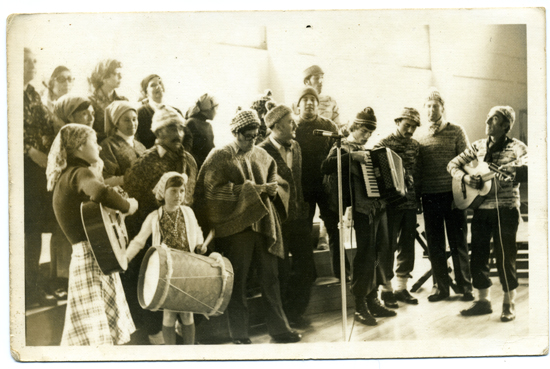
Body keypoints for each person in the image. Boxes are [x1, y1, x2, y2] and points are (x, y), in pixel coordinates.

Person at [195, 108, 301, 344]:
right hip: (236, 227)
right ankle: (239, 334)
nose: (252, 141)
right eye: (247, 136)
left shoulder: (261, 154)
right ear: (236, 133)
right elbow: (210, 192)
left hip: (263, 223)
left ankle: (279, 329)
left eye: (255, 135)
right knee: (237, 280)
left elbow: (276, 178)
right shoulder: (219, 155)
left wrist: (272, 187)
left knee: (270, 278)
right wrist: (250, 190)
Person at [46, 124, 139, 345]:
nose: (98, 146)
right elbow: (100, 191)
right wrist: (128, 206)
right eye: (93, 142)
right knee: (97, 333)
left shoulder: (65, 176)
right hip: (93, 257)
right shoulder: (79, 173)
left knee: (93, 331)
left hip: (86, 255)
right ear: (79, 147)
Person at [123, 106, 198, 344]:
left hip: (181, 237)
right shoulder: (145, 162)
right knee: (154, 288)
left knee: (181, 292)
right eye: (172, 128)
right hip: (152, 236)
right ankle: (156, 335)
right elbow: (132, 201)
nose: (179, 133)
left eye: (181, 128)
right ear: (158, 131)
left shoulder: (188, 159)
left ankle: (181, 340)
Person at [447, 106, 527, 322]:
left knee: (505, 258)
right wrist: (465, 178)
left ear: (505, 126)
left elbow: (532, 165)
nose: (488, 121)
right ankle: (483, 301)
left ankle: (509, 303)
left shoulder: (518, 148)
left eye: (494, 119)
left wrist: (516, 171)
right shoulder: (478, 146)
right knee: (479, 256)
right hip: (481, 208)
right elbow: (453, 164)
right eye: (489, 118)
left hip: (506, 210)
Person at [321, 108, 396, 326]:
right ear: (353, 127)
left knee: (379, 251)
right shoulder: (340, 146)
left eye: (370, 133)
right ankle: (360, 306)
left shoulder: (368, 150)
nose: (366, 136)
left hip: (375, 207)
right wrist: (351, 156)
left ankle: (373, 300)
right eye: (363, 131)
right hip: (358, 209)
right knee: (365, 255)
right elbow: (325, 167)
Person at [126, 172, 211, 345]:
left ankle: (189, 353)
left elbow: (198, 232)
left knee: (187, 312)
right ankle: (171, 356)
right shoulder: (154, 217)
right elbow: (139, 241)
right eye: (173, 191)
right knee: (169, 313)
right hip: (166, 273)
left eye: (182, 191)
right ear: (162, 193)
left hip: (187, 270)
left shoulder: (188, 212)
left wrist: (201, 245)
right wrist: (125, 259)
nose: (178, 196)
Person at [257, 101, 313, 328]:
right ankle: (282, 319)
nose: (295, 125)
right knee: (279, 272)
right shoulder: (261, 150)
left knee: (307, 268)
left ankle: (294, 313)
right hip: (276, 223)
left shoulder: (296, 147)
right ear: (277, 126)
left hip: (299, 219)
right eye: (291, 122)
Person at [416, 88, 474, 302]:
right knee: (435, 244)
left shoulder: (456, 130)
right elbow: (417, 168)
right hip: (429, 196)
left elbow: (468, 161)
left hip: (454, 195)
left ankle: (465, 286)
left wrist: (464, 189)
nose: (431, 109)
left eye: (435, 106)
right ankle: (441, 288)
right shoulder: (419, 135)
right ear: (425, 109)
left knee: (458, 241)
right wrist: (417, 197)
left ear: (442, 108)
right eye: (428, 106)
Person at [373, 107, 422, 307]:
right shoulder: (383, 144)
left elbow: (417, 173)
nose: (410, 130)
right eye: (406, 125)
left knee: (407, 245)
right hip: (391, 204)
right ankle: (386, 290)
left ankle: (402, 288)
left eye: (413, 127)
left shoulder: (416, 146)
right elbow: (375, 171)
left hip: (410, 202)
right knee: (388, 246)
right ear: (397, 122)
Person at [23, 47, 57, 308]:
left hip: (35, 171)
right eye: (26, 60)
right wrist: (29, 149)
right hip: (17, 167)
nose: (32, 65)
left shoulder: (33, 93)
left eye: (34, 60)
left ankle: (31, 288)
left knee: (33, 231)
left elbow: (48, 124)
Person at [294, 87, 340, 270]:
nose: (310, 102)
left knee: (333, 228)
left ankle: (342, 272)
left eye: (313, 99)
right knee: (303, 230)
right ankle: (307, 273)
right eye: (305, 99)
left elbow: (339, 150)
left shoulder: (329, 126)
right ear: (298, 105)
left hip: (325, 186)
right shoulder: (292, 127)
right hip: (302, 188)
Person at [136, 74, 193, 152]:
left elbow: (188, 136)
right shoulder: (140, 113)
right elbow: (138, 141)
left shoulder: (175, 111)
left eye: (160, 83)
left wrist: (181, 154)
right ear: (146, 92)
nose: (159, 86)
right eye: (153, 85)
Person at [100, 101, 146, 187]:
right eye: (126, 120)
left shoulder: (141, 146)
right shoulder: (108, 146)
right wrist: (128, 179)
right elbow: (104, 180)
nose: (132, 124)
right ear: (116, 123)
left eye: (134, 119)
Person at [88, 59, 127, 142]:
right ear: (103, 77)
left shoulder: (123, 101)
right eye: (116, 74)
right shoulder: (90, 102)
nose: (121, 77)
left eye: (120, 74)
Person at [184, 93, 218, 169]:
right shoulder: (191, 123)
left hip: (206, 166)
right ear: (208, 109)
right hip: (196, 167)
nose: (216, 112)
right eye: (215, 108)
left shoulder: (208, 126)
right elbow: (188, 150)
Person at [42, 66, 74, 134]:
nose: (67, 83)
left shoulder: (72, 102)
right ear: (51, 83)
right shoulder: (43, 103)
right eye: (61, 79)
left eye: (69, 79)